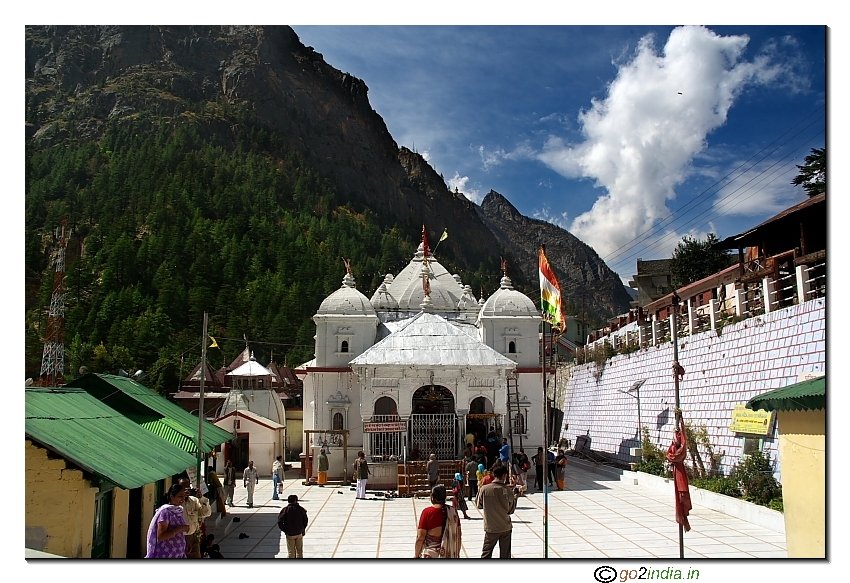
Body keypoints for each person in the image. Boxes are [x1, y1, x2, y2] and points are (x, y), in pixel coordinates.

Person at [475, 465, 518, 559]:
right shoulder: (508, 490)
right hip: (505, 526)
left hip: (491, 527)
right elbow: (511, 510)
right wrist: (515, 498)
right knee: (505, 554)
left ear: (494, 475)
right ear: (504, 476)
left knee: (486, 552)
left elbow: (478, 505)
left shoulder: (484, 489)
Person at [414, 485, 462, 558]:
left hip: (431, 555)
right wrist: (457, 554)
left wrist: (416, 555)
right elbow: (458, 535)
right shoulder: (453, 512)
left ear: (432, 496)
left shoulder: (427, 512)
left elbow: (420, 537)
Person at [145, 483, 190, 558]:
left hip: (178, 554)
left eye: (184, 496)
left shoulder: (178, 510)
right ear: (172, 496)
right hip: (166, 554)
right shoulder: (165, 512)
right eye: (180, 496)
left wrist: (186, 542)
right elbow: (161, 536)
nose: (182, 499)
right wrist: (181, 528)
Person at [177, 478, 211, 558]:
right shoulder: (176, 502)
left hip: (193, 537)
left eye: (187, 488)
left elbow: (206, 513)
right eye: (183, 488)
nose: (185, 491)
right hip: (179, 538)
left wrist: (201, 498)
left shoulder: (194, 501)